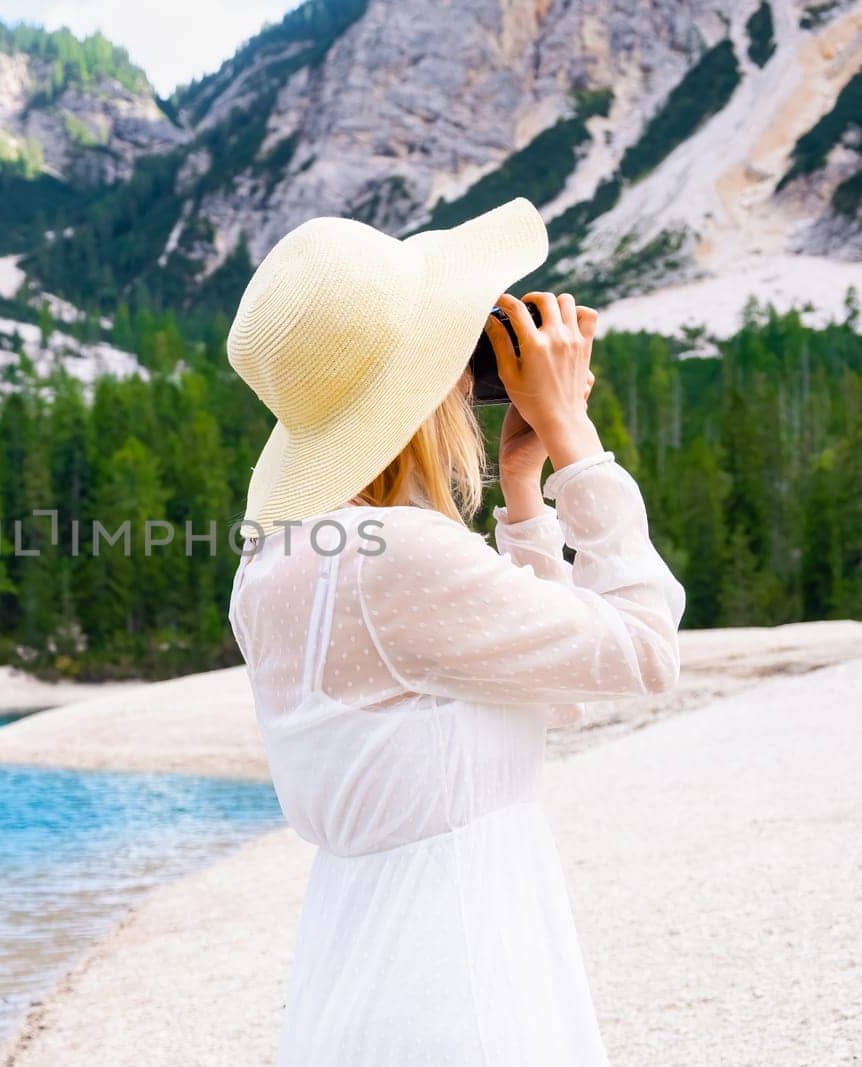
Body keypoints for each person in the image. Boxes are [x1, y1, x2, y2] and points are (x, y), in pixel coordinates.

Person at [226, 197, 686, 1065]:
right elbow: (643, 651)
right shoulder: (399, 556)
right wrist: (575, 442)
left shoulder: (275, 565)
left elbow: (545, 689)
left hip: (357, 964)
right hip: (463, 970)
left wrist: (521, 485)